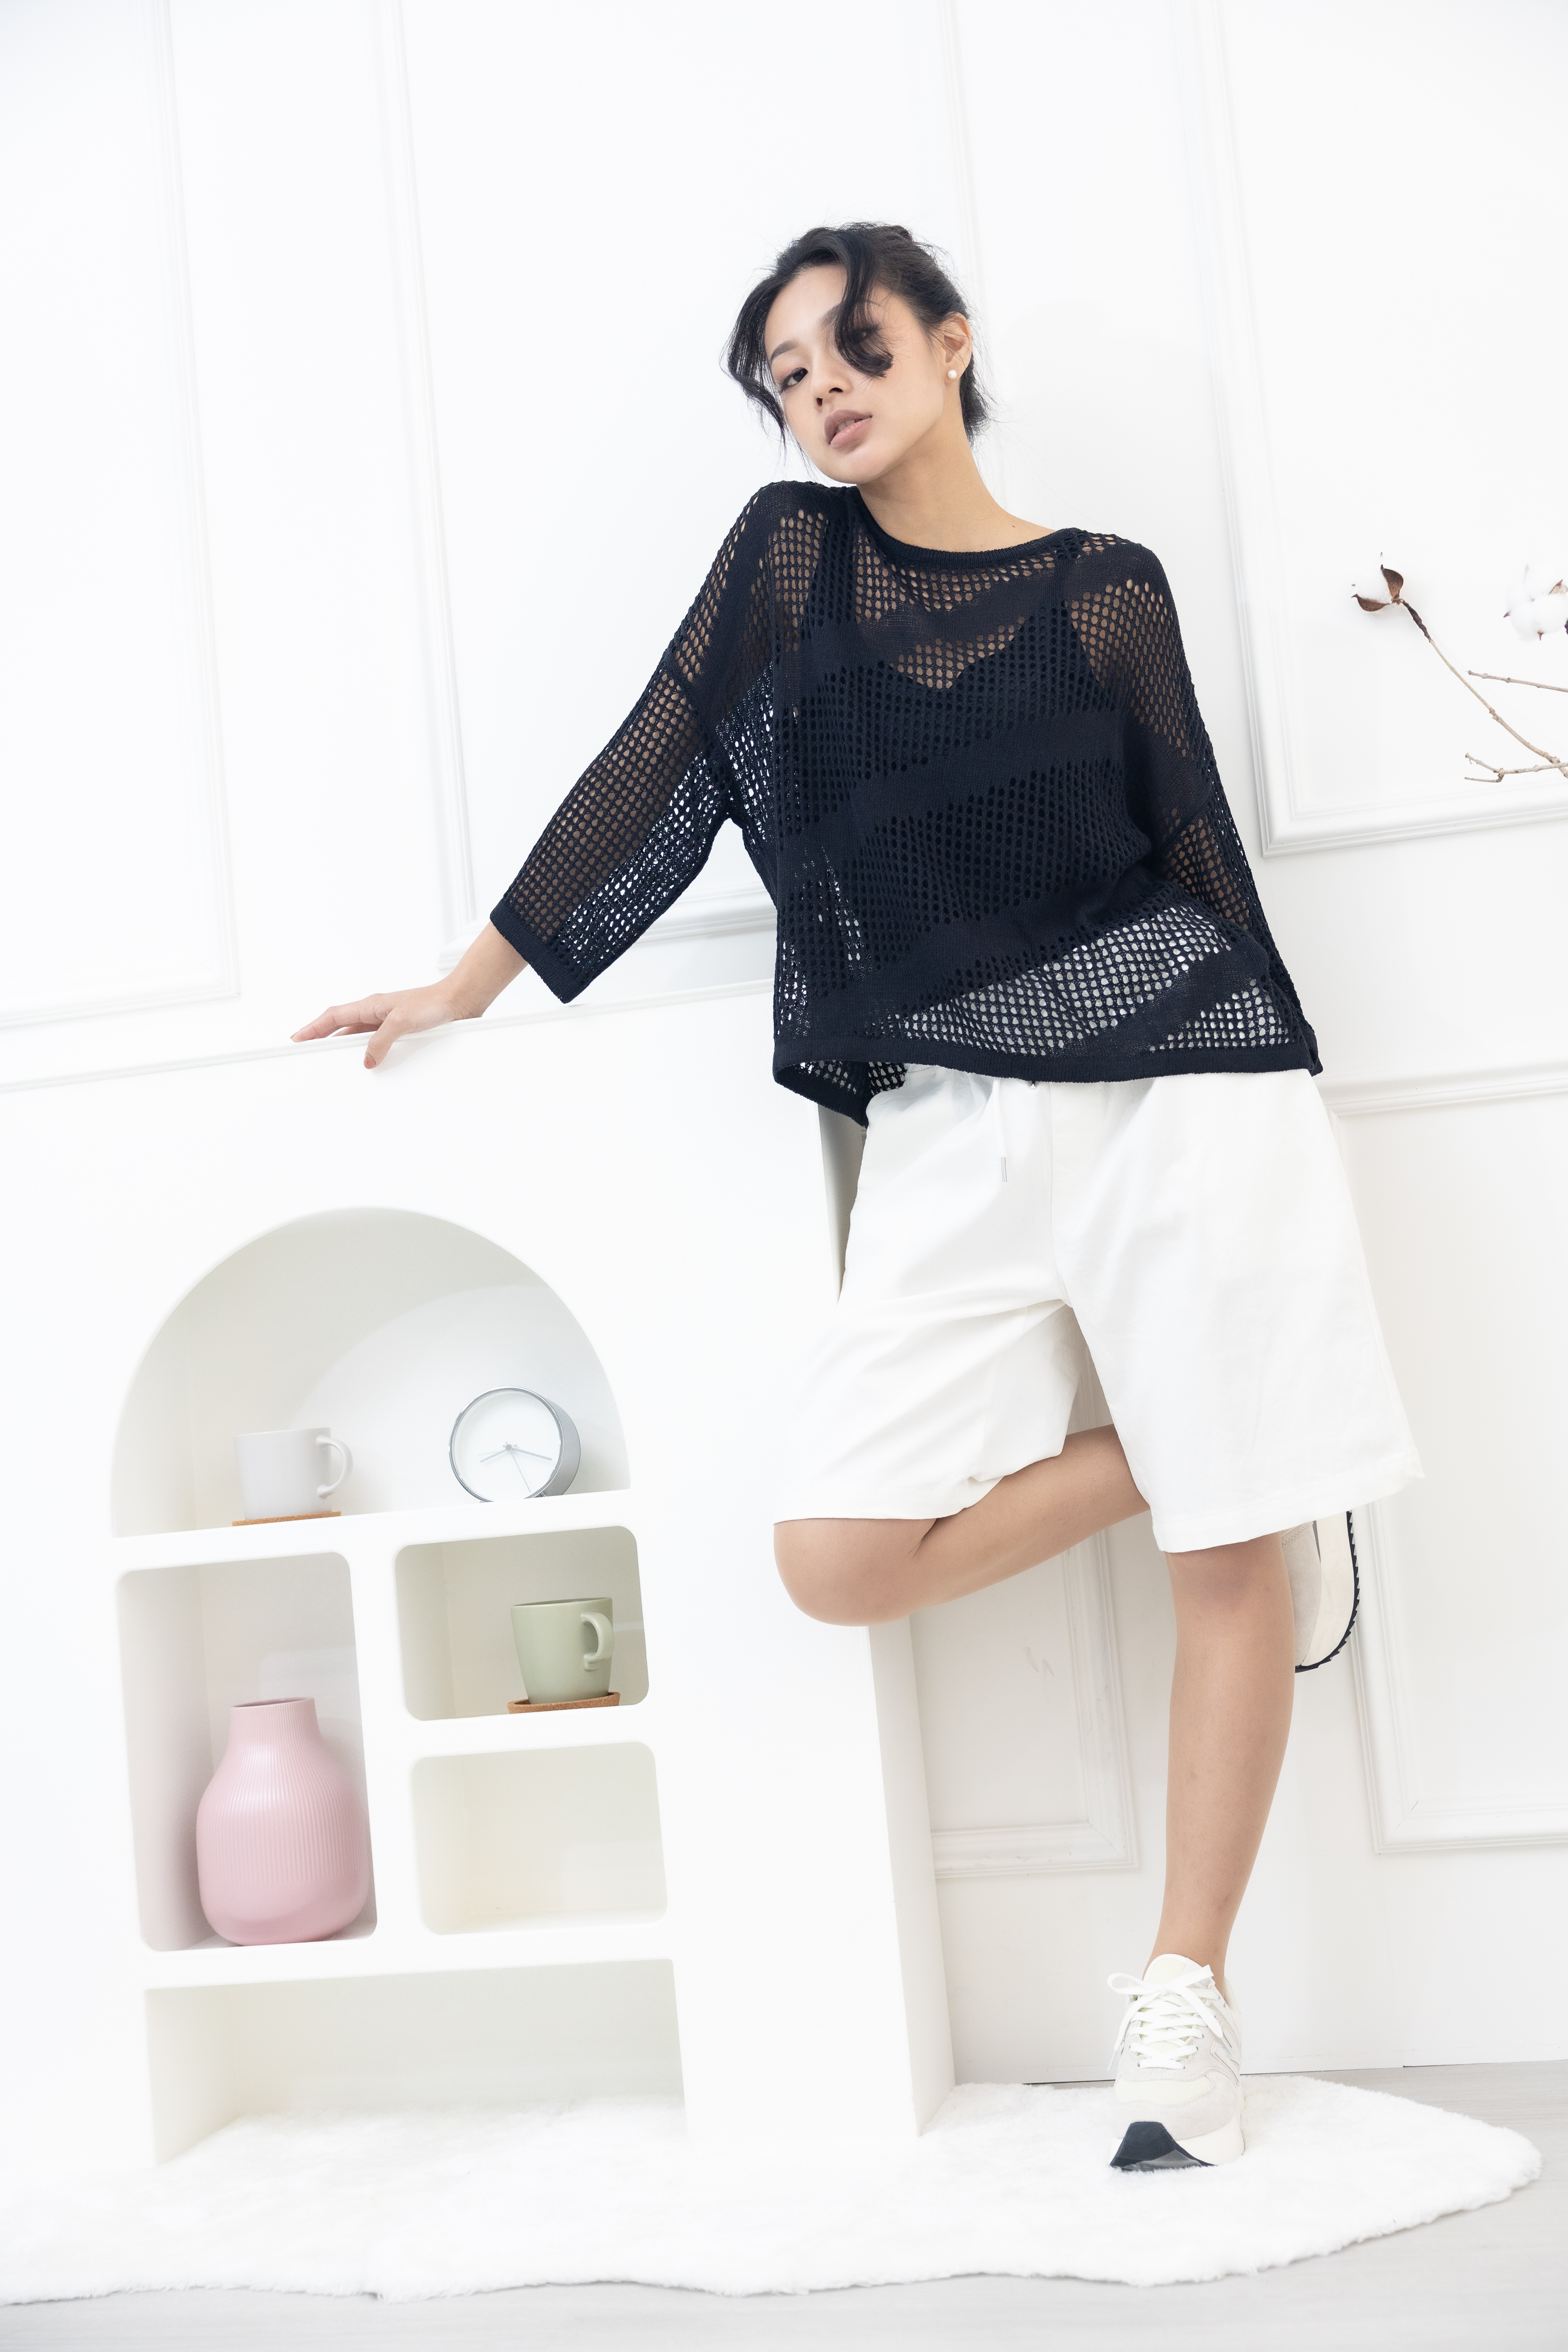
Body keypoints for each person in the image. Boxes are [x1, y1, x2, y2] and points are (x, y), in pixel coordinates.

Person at [294, 222, 1421, 2171]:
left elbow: (1196, 851)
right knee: (840, 1555)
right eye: (788, 375)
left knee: (1224, 1565)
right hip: (953, 1126)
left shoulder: (1104, 589)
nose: (821, 389)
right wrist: (467, 984)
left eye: (853, 345)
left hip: (1180, 1091)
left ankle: (1184, 1999)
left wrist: (1272, 1089)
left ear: (949, 340)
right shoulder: (787, 569)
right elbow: (654, 769)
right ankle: (1225, 1448)